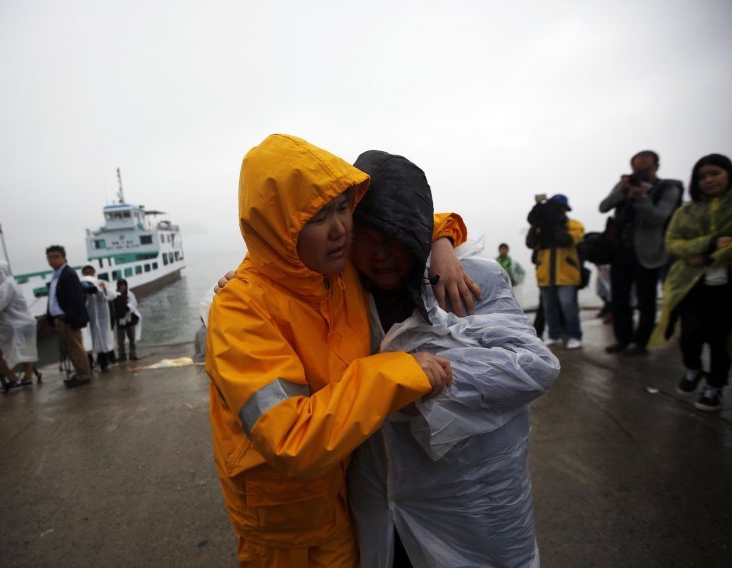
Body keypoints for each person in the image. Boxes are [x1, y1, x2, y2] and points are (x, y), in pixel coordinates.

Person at [205, 134, 464, 566]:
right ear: (279, 231)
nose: (341, 228)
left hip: (345, 499)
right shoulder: (240, 309)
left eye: (344, 207)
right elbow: (291, 437)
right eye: (319, 216)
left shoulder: (336, 269)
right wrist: (398, 371)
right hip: (285, 531)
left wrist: (443, 245)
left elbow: (411, 219)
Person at [346, 149, 559, 567]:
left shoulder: (470, 279)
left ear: (415, 230)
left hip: (474, 500)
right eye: (366, 239)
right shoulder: (346, 292)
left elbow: (534, 366)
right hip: (383, 498)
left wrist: (424, 387)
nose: (379, 255)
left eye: (392, 239)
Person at [649, 154, 732, 412]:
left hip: (727, 285)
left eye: (715, 173)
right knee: (690, 334)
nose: (708, 180)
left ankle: (715, 385)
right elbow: (673, 243)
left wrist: (702, 257)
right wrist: (711, 244)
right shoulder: (685, 211)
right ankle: (693, 367)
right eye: (702, 176)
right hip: (691, 284)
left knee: (722, 338)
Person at [599, 150, 684, 355]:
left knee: (646, 299)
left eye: (646, 168)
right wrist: (622, 189)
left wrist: (642, 197)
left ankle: (641, 342)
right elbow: (603, 207)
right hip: (620, 252)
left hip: (649, 253)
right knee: (619, 298)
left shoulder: (668, 188)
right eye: (636, 169)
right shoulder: (625, 185)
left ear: (656, 167)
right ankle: (623, 339)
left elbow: (659, 218)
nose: (640, 173)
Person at [526, 194, 585, 349]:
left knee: (568, 305)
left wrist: (556, 225)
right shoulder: (542, 227)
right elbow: (530, 242)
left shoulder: (574, 224)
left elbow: (567, 240)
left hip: (566, 274)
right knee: (549, 307)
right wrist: (537, 223)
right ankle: (554, 335)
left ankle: (574, 335)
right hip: (546, 274)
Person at [45, 245, 91, 388]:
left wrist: (68, 317)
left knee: (75, 347)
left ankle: (83, 375)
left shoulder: (68, 274)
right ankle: (79, 373)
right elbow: (54, 297)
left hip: (67, 319)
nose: (52, 260)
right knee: (71, 348)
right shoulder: (57, 274)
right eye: (49, 257)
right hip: (60, 318)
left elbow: (75, 298)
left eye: (56, 256)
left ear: (64, 258)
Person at [0, 261, 39, 389]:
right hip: (21, 323)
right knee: (27, 351)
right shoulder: (9, 283)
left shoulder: (6, 286)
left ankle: (13, 378)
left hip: (13, 326)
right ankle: (26, 377)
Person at [81, 265, 117, 372]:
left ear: (94, 272)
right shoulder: (81, 284)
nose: (88, 274)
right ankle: (89, 365)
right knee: (88, 342)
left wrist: (102, 288)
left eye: (90, 272)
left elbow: (113, 295)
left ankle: (104, 364)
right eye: (86, 272)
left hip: (102, 318)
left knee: (103, 341)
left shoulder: (102, 282)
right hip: (89, 319)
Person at [113, 279, 140, 362]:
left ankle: (133, 354)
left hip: (129, 318)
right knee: (120, 339)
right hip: (119, 319)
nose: (123, 287)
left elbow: (134, 304)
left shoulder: (130, 294)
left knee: (132, 337)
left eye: (124, 285)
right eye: (121, 286)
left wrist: (127, 308)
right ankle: (122, 355)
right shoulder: (115, 294)